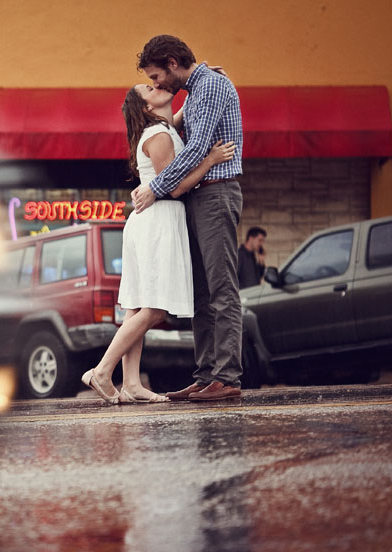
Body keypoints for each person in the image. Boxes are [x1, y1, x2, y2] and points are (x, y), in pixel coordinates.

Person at [81, 83, 236, 404]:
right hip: (158, 221)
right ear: (146, 107)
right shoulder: (159, 135)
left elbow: (180, 115)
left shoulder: (164, 127)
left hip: (149, 222)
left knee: (137, 305)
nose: (158, 85)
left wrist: (201, 82)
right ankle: (101, 370)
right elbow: (174, 187)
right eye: (149, 88)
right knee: (154, 307)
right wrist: (210, 160)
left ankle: (132, 383)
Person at [130, 34, 245, 402]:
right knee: (202, 294)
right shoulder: (198, 90)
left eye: (156, 76)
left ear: (172, 63)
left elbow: (197, 148)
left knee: (221, 288)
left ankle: (226, 377)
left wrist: (156, 187)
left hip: (216, 193)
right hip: (198, 197)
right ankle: (206, 374)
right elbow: (180, 131)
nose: (157, 83)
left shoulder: (209, 86)